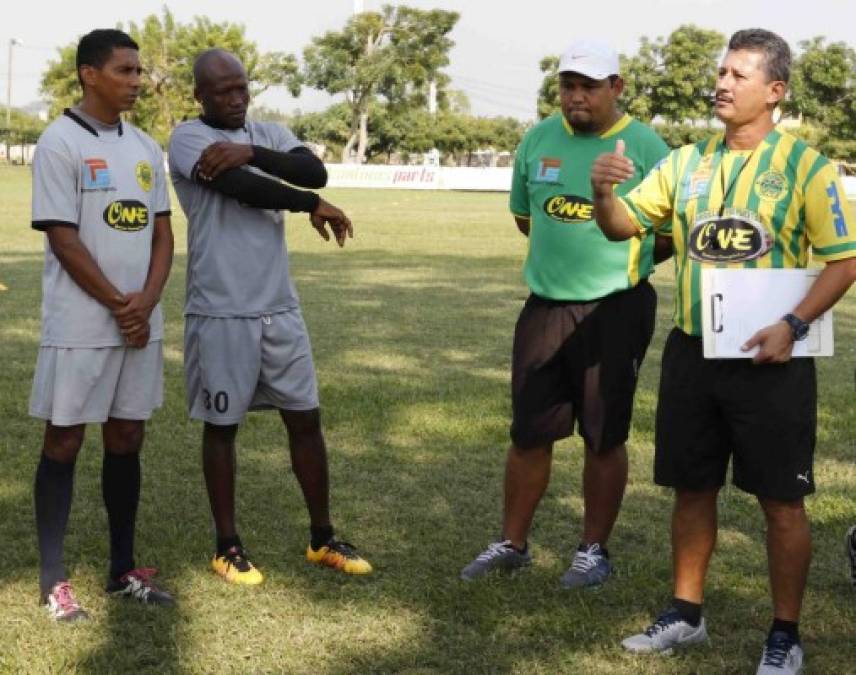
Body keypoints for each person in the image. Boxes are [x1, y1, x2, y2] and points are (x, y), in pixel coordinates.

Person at [590, 28, 856, 674]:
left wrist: (791, 324)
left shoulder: (809, 169)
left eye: (739, 74)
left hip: (773, 362)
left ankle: (785, 632)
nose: (722, 83)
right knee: (692, 487)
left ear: (775, 90)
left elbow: (844, 261)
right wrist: (603, 192)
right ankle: (686, 612)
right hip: (693, 352)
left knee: (782, 501)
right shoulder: (687, 162)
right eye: (721, 72)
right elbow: (624, 225)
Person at [459, 39, 670, 587]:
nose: (576, 97)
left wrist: (627, 261)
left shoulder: (645, 145)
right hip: (545, 305)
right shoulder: (537, 138)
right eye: (568, 86)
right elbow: (527, 219)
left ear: (616, 88)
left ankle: (593, 551)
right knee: (529, 431)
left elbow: (668, 233)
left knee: (604, 435)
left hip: (615, 308)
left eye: (589, 87)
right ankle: (512, 543)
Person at [168, 49, 371, 585]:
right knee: (222, 426)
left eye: (242, 88)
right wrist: (308, 203)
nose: (236, 99)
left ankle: (322, 538)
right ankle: (226, 545)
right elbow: (244, 188)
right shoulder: (187, 139)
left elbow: (315, 168)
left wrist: (249, 149)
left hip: (279, 306)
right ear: (200, 96)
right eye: (224, 91)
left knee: (305, 418)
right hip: (220, 308)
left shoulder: (267, 132)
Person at [29, 29, 175, 621]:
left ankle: (121, 569)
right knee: (65, 439)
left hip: (140, 322)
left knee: (128, 437)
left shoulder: (144, 147)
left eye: (139, 71)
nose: (137, 81)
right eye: (125, 70)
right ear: (90, 74)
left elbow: (163, 232)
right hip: (82, 323)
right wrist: (121, 303)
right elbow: (63, 238)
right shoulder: (59, 143)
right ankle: (52, 582)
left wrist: (146, 302)